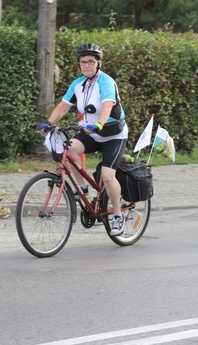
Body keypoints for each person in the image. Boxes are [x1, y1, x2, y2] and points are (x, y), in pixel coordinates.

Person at [36, 43, 129, 236]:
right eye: (83, 62)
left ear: (99, 63)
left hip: (113, 134)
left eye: (91, 61)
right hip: (91, 132)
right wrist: (48, 122)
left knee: (107, 176)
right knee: (69, 148)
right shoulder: (77, 84)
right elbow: (63, 106)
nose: (86, 65)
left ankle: (118, 215)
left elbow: (107, 106)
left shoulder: (106, 82)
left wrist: (100, 124)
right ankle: (83, 187)